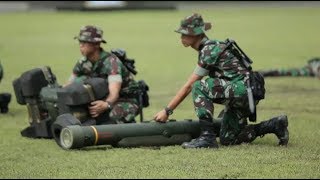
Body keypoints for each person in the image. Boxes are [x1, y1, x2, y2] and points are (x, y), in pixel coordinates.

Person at [153, 13, 289, 149]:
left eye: (184, 33)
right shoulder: (211, 47)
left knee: (199, 86)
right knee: (228, 139)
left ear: (195, 35)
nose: (181, 37)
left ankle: (207, 137)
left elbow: (189, 86)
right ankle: (273, 125)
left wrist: (167, 111)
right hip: (247, 94)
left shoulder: (209, 50)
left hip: (241, 91)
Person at [66, 25, 140, 124]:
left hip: (125, 100)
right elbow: (69, 84)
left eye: (84, 42)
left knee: (111, 120)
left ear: (96, 44)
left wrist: (106, 104)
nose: (81, 45)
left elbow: (114, 93)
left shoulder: (112, 62)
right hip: (100, 100)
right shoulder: (82, 62)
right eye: (80, 42)